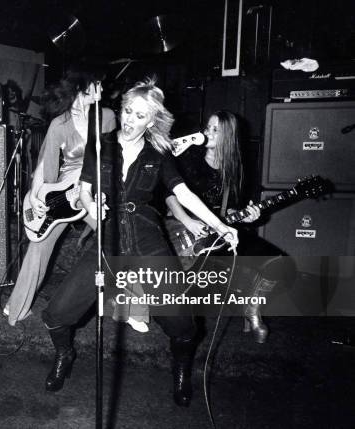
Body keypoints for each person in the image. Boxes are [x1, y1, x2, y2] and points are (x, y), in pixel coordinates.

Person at [40, 77, 239, 407]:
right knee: (57, 312)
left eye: (140, 115)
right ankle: (65, 353)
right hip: (108, 241)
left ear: (152, 120)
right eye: (128, 111)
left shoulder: (158, 153)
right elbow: (85, 191)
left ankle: (180, 369)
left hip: (147, 238)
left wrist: (219, 225)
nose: (130, 120)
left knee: (181, 321)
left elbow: (183, 193)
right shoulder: (99, 144)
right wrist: (91, 206)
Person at [165, 110, 296, 343]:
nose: (207, 132)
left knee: (281, 263)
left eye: (215, 129)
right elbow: (170, 195)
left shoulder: (237, 170)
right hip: (184, 227)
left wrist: (248, 216)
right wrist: (188, 221)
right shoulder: (189, 157)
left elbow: (233, 209)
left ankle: (251, 306)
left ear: (229, 137)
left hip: (221, 231)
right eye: (208, 127)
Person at [4, 66, 116, 326]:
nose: (102, 88)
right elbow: (45, 163)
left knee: (117, 237)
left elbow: (113, 158)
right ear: (82, 88)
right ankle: (17, 306)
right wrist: (34, 195)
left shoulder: (107, 116)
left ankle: (128, 307)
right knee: (39, 245)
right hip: (66, 190)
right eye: (97, 84)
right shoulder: (60, 124)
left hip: (95, 188)